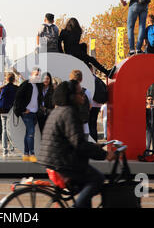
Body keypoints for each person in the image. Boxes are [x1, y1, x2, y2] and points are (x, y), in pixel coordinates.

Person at [38, 80, 115, 208]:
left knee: (86, 188)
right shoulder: (69, 113)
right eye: (80, 93)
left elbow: (72, 140)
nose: (83, 95)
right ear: (71, 96)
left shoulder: (58, 111)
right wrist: (105, 155)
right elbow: (79, 144)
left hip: (54, 160)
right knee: (97, 179)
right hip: (62, 162)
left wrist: (96, 147)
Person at [14, 67, 43, 162]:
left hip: (34, 113)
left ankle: (26, 154)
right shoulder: (25, 85)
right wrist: (23, 109)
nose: (38, 76)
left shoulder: (38, 86)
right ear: (31, 74)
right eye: (36, 75)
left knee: (28, 133)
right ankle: (32, 154)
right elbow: (18, 98)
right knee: (31, 133)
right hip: (27, 113)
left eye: (39, 75)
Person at [0, 72, 19, 158]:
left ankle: (4, 150)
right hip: (12, 112)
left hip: (3, 112)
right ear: (14, 80)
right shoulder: (16, 89)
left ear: (6, 79)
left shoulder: (3, 88)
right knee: (12, 131)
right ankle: (12, 149)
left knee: (4, 130)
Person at [69, 70, 92, 141]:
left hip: (70, 128)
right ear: (81, 79)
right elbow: (90, 106)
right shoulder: (87, 92)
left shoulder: (66, 92)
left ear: (70, 78)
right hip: (84, 127)